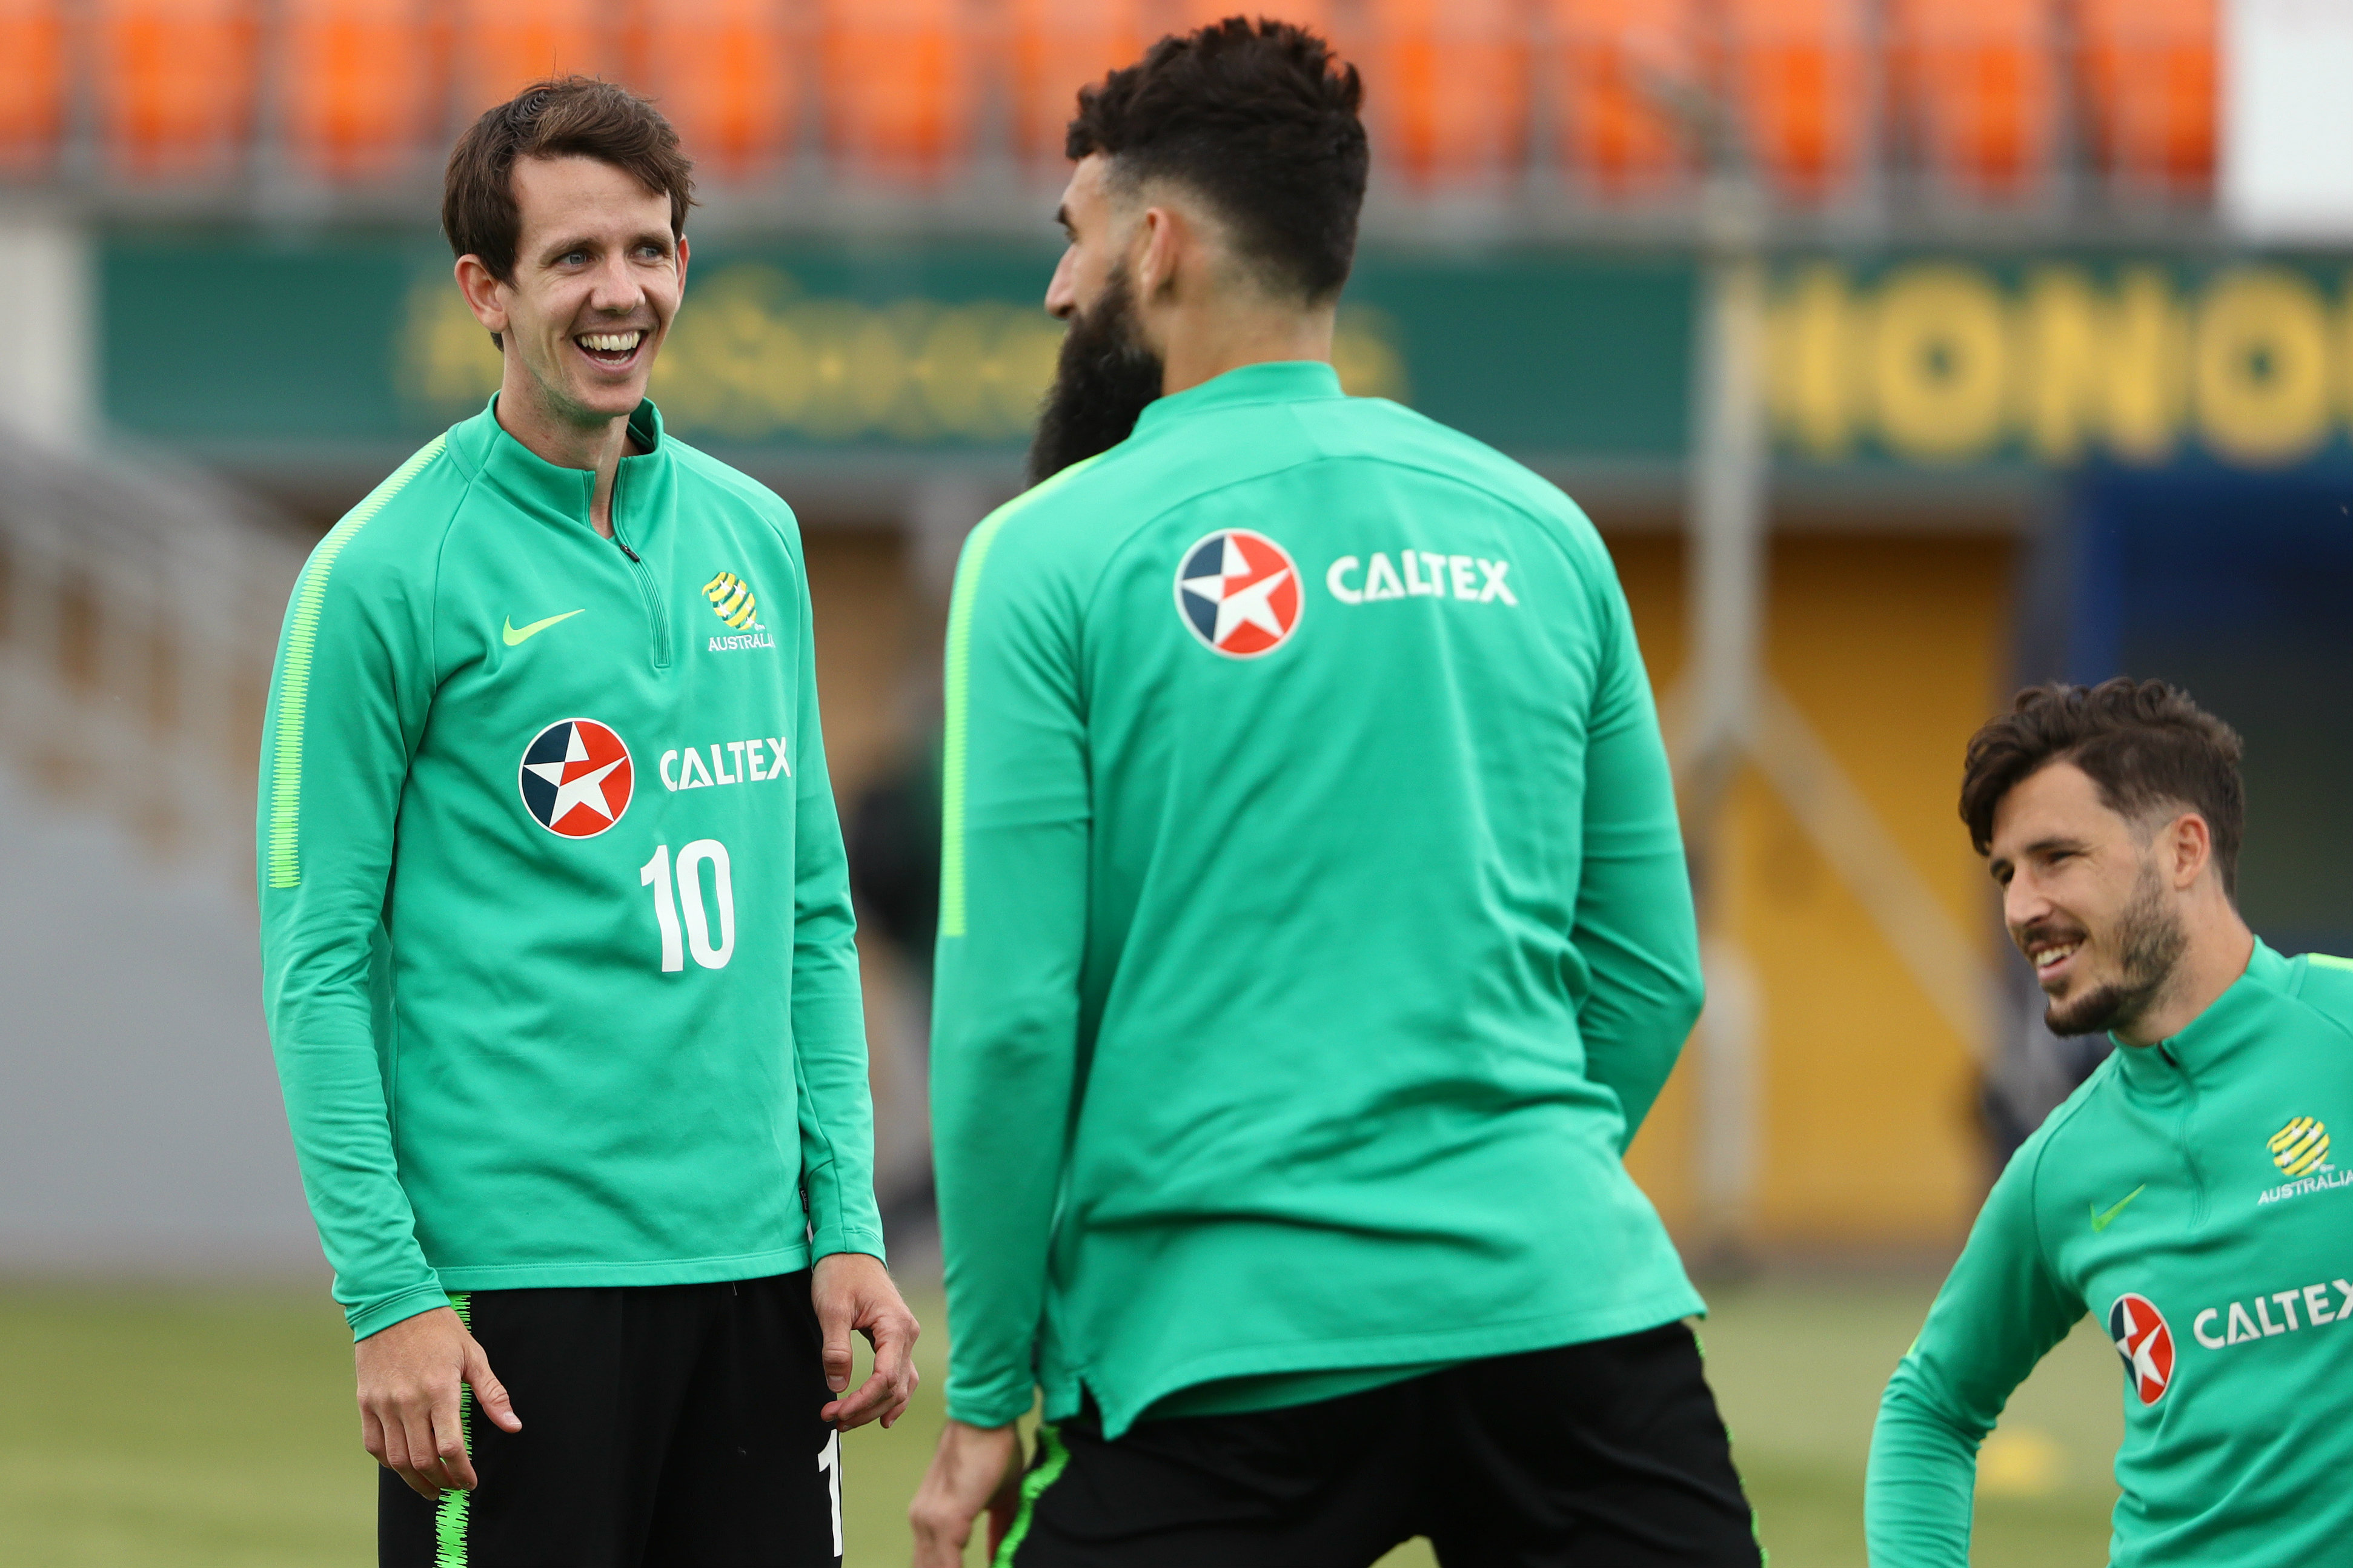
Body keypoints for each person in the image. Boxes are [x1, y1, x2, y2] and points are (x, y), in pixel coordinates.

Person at [909, 21, 1760, 1567]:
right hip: (1565, 1311)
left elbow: (1011, 1017)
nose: (1056, 287)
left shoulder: (1039, 553)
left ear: (1155, 246)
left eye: (1074, 238)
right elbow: (1649, 969)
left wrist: (987, 1384)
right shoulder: (1545, 529)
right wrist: (1481, 1185)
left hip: (1224, 1345)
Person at [255, 78, 917, 1567]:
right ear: (485, 291)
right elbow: (318, 961)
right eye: (573, 259)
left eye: (650, 249)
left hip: (758, 1283)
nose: (620, 293)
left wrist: (845, 1223)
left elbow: (806, 910)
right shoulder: (381, 572)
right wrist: (389, 1294)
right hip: (512, 1304)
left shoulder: (759, 535)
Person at [1867, 678, 2353, 1566]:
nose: (2021, 907)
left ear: (2183, 850)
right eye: (2007, 874)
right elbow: (1930, 1408)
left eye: (2057, 857)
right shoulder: (2061, 1164)